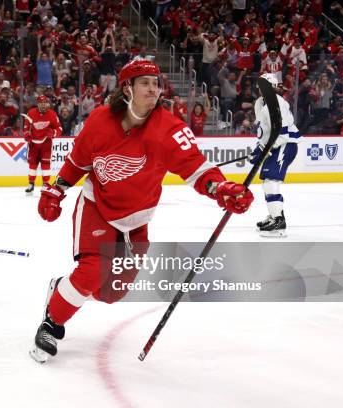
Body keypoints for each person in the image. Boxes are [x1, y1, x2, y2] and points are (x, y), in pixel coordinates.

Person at [29, 59, 254, 363]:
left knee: (111, 293)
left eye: (156, 83)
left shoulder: (168, 129)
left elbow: (197, 169)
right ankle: (51, 323)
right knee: (92, 270)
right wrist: (56, 188)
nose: (153, 89)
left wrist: (221, 189)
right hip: (97, 204)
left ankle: (62, 290)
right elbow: (77, 162)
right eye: (145, 83)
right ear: (127, 88)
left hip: (137, 218)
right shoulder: (99, 120)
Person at [249, 73, 301, 237]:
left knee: (271, 183)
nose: (263, 90)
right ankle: (274, 216)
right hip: (276, 145)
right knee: (267, 183)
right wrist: (258, 149)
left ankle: (279, 223)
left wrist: (263, 149)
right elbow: (265, 133)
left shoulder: (278, 103)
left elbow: (282, 134)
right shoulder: (259, 103)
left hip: (286, 145)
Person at [23, 95, 62, 194]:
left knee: (45, 164)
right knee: (33, 164)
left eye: (45, 103)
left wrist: (53, 133)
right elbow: (26, 127)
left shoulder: (52, 114)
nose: (43, 105)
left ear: (48, 103)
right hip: (33, 144)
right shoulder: (31, 113)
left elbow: (59, 128)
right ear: (38, 104)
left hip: (46, 144)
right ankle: (31, 184)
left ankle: (46, 185)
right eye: (41, 103)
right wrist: (27, 134)